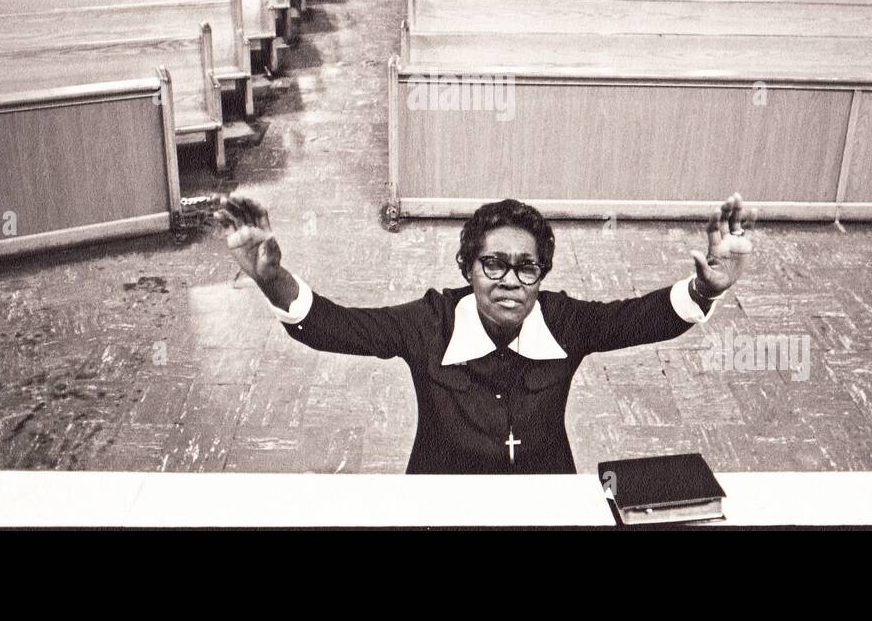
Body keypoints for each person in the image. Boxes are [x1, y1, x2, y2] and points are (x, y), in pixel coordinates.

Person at [219, 191, 756, 474]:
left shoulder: (565, 321)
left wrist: (707, 288)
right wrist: (273, 280)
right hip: (441, 501)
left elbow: (639, 317)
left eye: (527, 267)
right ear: (468, 269)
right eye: (493, 264)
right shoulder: (428, 322)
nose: (510, 281)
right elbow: (338, 327)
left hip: (544, 501)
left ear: (542, 275)